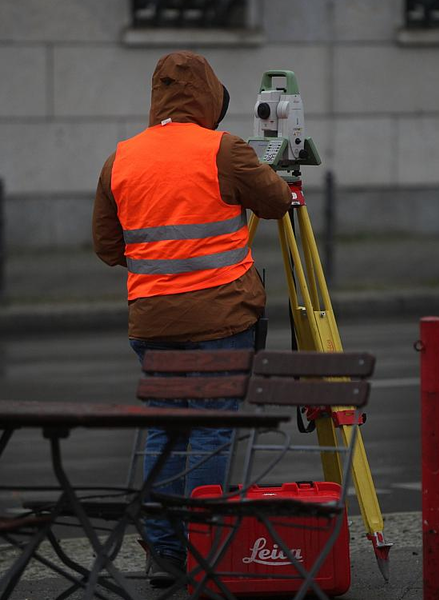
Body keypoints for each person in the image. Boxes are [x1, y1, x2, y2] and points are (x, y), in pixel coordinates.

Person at [92, 51, 292, 587]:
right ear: (209, 96)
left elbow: (107, 246)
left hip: (152, 320)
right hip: (221, 318)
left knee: (164, 427)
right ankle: (206, 549)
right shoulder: (224, 149)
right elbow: (277, 202)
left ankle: (164, 552)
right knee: (210, 429)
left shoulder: (122, 158)